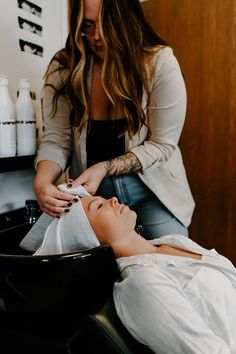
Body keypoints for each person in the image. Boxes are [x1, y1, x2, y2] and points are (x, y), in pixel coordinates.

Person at [33, 0, 195, 239]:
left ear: (127, 19)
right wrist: (42, 182)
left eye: (106, 24)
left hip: (155, 193)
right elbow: (57, 140)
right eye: (87, 26)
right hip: (93, 200)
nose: (97, 36)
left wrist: (105, 167)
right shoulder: (64, 68)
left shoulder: (159, 63)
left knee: (171, 264)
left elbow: (162, 144)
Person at [20, 187, 236, 354]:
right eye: (99, 206)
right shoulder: (143, 283)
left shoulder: (173, 241)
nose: (113, 199)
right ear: (89, 237)